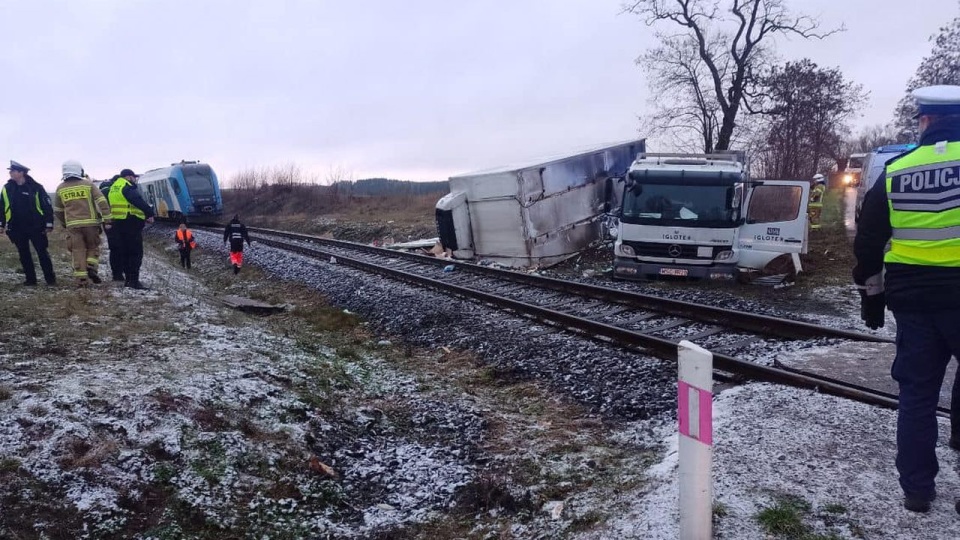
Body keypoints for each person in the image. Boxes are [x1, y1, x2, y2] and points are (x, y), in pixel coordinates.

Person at [853, 85, 960, 514]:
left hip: (913, 299)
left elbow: (869, 241)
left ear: (926, 121)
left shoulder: (897, 169)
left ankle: (917, 490)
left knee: (916, 395)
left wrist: (871, 296)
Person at [53, 160, 112, 286]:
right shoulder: (88, 185)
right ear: (79, 170)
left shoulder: (60, 188)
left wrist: (65, 223)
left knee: (77, 250)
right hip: (91, 224)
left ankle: (81, 279)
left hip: (73, 226)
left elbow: (58, 210)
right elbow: (102, 201)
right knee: (92, 246)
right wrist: (107, 220)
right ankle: (91, 266)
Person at [0, 160, 56, 286]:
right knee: (23, 254)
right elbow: (2, 207)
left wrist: (49, 223)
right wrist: (1, 224)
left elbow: (46, 205)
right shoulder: (7, 188)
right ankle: (30, 279)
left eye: (13, 171)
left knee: (42, 252)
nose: (10, 173)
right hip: (16, 227)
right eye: (10, 171)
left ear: (21, 173)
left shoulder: (36, 187)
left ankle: (50, 279)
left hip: (36, 226)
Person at [107, 168, 155, 289]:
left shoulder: (114, 187)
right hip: (131, 223)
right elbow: (137, 200)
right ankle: (133, 281)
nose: (135, 179)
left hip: (119, 222)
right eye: (134, 177)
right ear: (129, 177)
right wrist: (149, 213)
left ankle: (128, 279)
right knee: (135, 253)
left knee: (125, 252)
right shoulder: (127, 186)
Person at [98, 174, 125, 281]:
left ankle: (117, 274)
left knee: (114, 248)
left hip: (108, 224)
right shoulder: (111, 191)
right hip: (114, 222)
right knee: (119, 248)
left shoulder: (101, 192)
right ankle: (118, 273)